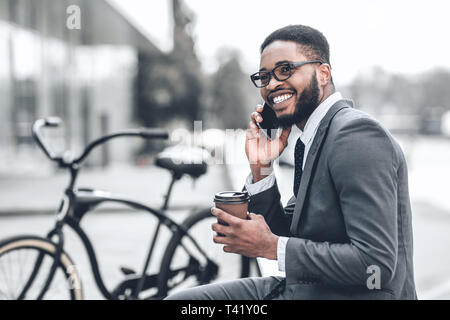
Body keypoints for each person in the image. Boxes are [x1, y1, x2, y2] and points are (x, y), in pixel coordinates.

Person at [165, 24, 417, 300]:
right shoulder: (312, 138)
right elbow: (291, 233)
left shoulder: (354, 135)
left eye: (285, 70)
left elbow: (376, 266)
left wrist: (272, 247)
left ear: (323, 73)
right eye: (264, 76)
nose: (272, 84)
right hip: (309, 288)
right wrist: (261, 169)